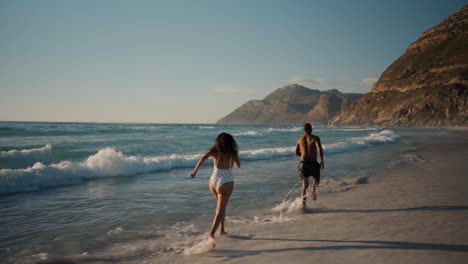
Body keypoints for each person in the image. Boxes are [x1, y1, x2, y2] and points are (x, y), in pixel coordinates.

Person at [190, 132, 241, 246]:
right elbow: (238, 165)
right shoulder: (233, 153)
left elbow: (203, 158)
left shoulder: (214, 151)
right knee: (220, 209)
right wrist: (232, 158)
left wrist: (195, 172)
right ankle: (211, 233)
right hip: (226, 182)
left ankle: (222, 230)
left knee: (221, 207)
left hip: (213, 181)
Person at [295, 123, 324, 208]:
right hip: (313, 163)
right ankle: (313, 188)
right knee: (316, 178)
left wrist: (303, 154)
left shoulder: (299, 139)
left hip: (303, 163)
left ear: (304, 130)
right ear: (311, 129)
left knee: (304, 185)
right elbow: (319, 148)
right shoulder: (315, 138)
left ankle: (303, 205)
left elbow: (296, 153)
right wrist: (321, 161)